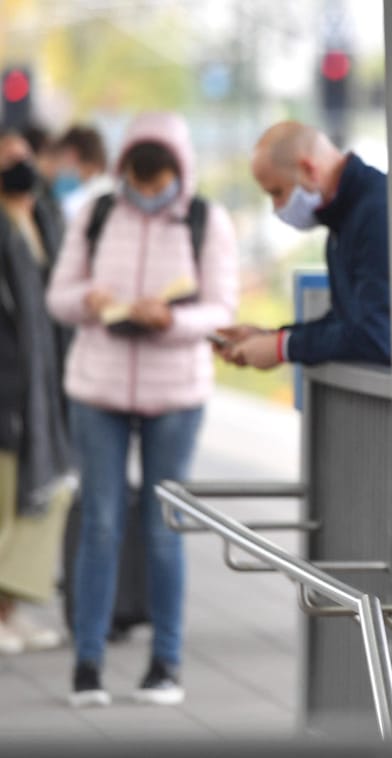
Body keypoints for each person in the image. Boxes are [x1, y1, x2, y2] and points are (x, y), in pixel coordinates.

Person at [46, 112, 239, 707]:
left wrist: (171, 319)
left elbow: (222, 309)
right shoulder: (98, 214)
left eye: (158, 185)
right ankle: (88, 664)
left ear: (178, 175)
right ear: (124, 167)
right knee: (100, 524)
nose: (147, 194)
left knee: (163, 528)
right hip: (97, 386)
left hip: (174, 392)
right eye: (138, 180)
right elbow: (59, 296)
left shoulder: (207, 220)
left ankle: (166, 664)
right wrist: (92, 299)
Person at [218, 121, 389, 369]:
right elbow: (345, 324)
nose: (276, 208)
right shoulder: (343, 223)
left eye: (277, 192)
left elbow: (377, 335)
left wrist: (284, 346)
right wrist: (269, 337)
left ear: (308, 169)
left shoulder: (375, 213)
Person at [0, 131, 74, 655]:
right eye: (7, 161)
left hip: (44, 388)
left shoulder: (44, 219)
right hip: (8, 388)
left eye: (24, 158)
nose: (20, 167)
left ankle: (10, 612)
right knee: (6, 504)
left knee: (40, 503)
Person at [50, 125, 114, 223]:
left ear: (71, 154)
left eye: (59, 158)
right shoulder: (112, 189)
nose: (57, 168)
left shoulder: (76, 203)